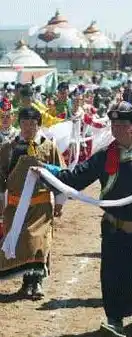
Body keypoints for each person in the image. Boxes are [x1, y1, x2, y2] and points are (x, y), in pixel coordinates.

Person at [37, 101, 132, 336]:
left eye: (123, 124)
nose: (118, 129)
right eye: (114, 124)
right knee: (115, 277)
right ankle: (115, 320)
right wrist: (46, 170)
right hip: (115, 229)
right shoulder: (104, 157)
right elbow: (75, 178)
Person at [0, 107, 65, 299]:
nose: (28, 128)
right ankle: (26, 282)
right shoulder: (8, 149)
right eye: (25, 124)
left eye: (32, 124)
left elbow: (61, 175)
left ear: (39, 125)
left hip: (41, 207)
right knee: (21, 244)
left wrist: (60, 201)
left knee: (39, 243)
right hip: (15, 207)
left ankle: (37, 282)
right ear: (19, 124)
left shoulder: (49, 147)